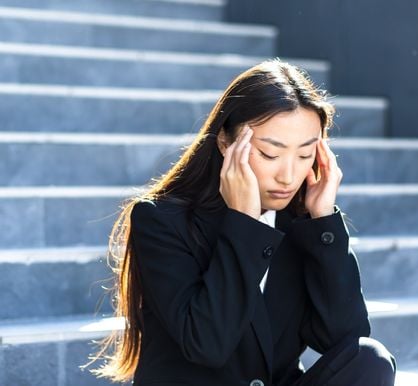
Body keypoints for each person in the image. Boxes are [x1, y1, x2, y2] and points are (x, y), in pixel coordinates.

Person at [87, 59, 396, 386]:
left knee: (370, 359)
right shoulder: (161, 220)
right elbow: (207, 344)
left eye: (304, 155)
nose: (288, 176)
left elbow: (344, 340)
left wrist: (323, 222)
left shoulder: (300, 226)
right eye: (269, 154)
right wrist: (245, 224)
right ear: (225, 143)